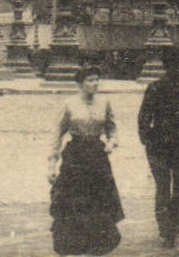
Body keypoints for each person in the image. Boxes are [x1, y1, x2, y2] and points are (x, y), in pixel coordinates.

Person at [49, 64, 124, 255]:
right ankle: (74, 244)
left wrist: (112, 142)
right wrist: (52, 164)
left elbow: (112, 129)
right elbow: (57, 133)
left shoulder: (104, 102)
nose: (95, 83)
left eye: (97, 79)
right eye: (90, 80)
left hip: (97, 156)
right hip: (75, 155)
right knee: (75, 201)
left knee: (98, 200)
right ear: (80, 84)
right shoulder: (69, 104)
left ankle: (96, 245)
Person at [138, 50, 179, 249]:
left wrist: (147, 140)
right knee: (178, 187)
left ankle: (165, 229)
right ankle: (173, 226)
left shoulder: (154, 88)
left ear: (163, 66)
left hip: (158, 145)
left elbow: (143, 119)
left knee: (162, 186)